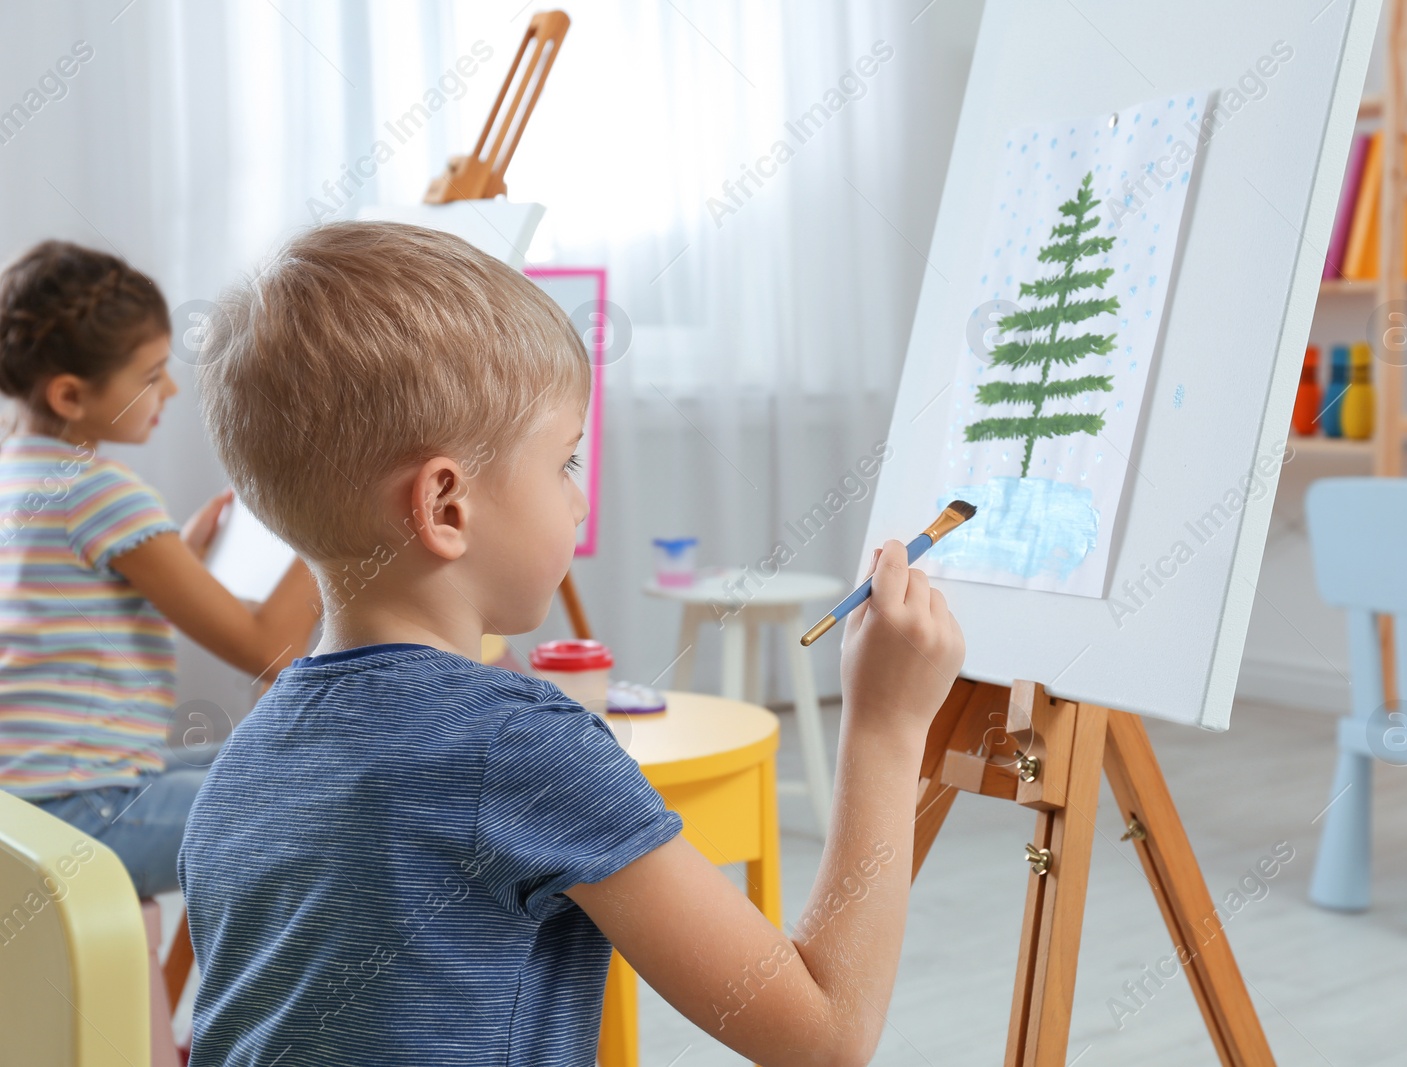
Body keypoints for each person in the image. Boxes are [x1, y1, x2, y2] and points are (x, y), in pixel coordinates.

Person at [177, 220, 965, 1066]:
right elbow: (824, 1034)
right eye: (564, 462)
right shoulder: (520, 745)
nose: (580, 500)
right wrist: (885, 724)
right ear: (446, 507)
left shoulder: (242, 759)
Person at [0, 239, 322, 1062]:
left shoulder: (21, 472)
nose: (170, 388)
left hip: (35, 795)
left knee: (253, 761)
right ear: (71, 394)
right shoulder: (99, 489)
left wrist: (173, 549)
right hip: (85, 806)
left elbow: (70, 602)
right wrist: (330, 541)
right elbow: (267, 643)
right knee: (302, 799)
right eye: (149, 374)